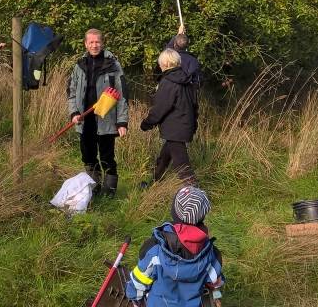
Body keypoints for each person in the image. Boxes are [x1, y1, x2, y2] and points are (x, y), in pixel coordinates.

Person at [125, 186, 225, 307]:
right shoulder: (210, 253)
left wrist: (133, 297)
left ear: (174, 212)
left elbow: (138, 284)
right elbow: (216, 283)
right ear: (202, 216)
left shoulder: (156, 249)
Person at [68, 28, 129, 197]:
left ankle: (109, 193)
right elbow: (71, 92)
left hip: (106, 121)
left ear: (102, 43)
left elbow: (123, 94)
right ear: (86, 44)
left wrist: (122, 122)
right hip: (84, 120)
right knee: (88, 156)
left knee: (107, 157)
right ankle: (93, 188)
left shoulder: (113, 65)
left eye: (97, 42)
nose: (94, 45)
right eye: (91, 42)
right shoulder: (79, 65)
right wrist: (74, 113)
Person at [141, 49, 199, 185]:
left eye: (160, 63)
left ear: (166, 64)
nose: (159, 66)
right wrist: (194, 124)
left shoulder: (168, 82)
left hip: (175, 129)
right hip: (184, 126)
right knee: (164, 157)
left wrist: (147, 123)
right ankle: (155, 181)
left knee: (181, 164)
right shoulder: (188, 81)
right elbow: (195, 105)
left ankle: (195, 192)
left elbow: (161, 107)